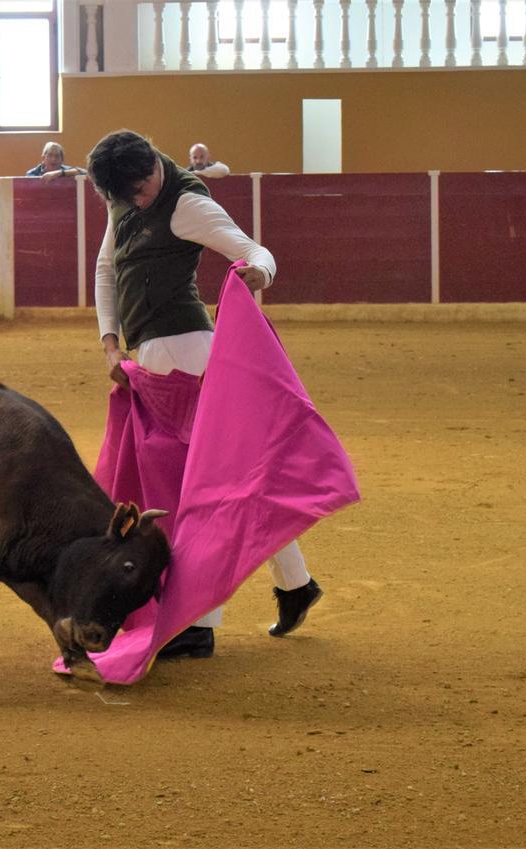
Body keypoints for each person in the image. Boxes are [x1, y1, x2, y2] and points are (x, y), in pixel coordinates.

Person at [88, 129, 322, 660]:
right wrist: (108, 344)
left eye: (143, 190)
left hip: (193, 357)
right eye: (128, 196)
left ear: (153, 165)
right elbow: (108, 268)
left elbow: (253, 250)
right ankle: (297, 583)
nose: (138, 201)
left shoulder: (188, 202)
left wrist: (260, 271)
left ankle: (198, 623)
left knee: (196, 489)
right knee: (227, 480)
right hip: (148, 364)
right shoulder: (121, 196)